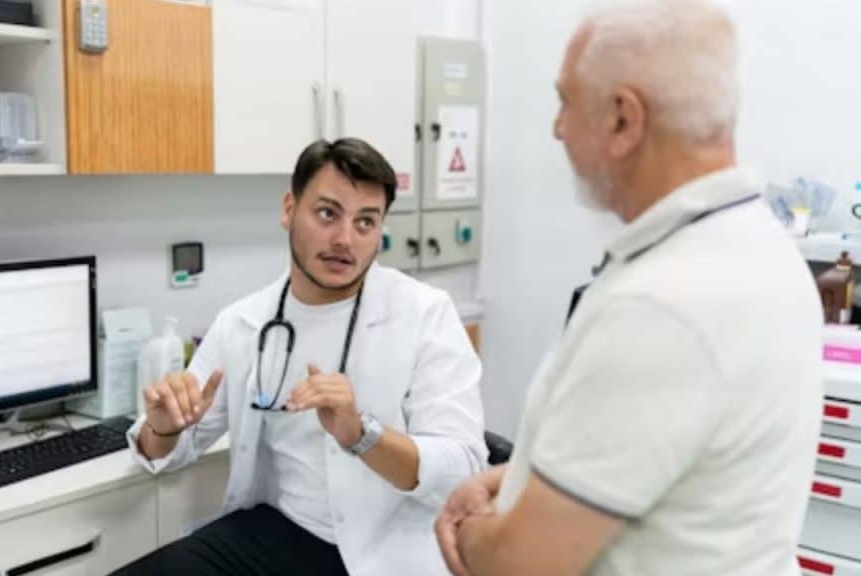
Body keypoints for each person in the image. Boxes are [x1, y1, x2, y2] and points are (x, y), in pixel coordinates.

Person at [435, 1, 823, 575]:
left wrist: (468, 535)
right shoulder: (760, 248)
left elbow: (523, 564)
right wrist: (522, 481)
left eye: (566, 101)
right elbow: (665, 465)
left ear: (623, 119)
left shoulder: (662, 304)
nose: (557, 127)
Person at [113, 138, 487, 576]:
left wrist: (361, 435)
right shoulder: (244, 322)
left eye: (365, 223)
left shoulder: (425, 314)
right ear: (289, 209)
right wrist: (163, 427)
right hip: (274, 532)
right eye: (327, 214)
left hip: (385, 549)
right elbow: (173, 449)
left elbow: (463, 467)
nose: (345, 239)